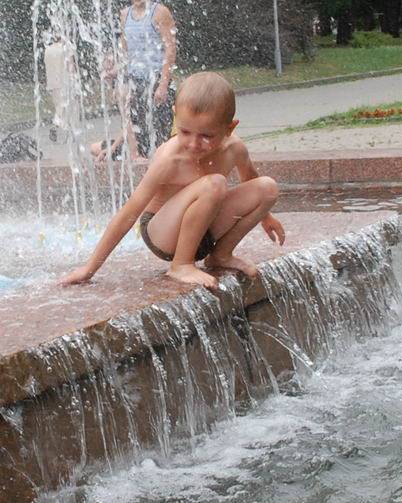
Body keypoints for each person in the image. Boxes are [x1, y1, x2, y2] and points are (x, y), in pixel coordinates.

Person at [61, 71, 285, 289]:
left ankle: (221, 255)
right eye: (185, 132)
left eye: (206, 136)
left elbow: (249, 178)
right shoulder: (169, 159)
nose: (194, 144)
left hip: (204, 231)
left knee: (268, 188)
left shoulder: (235, 148)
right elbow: (129, 212)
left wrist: (265, 217)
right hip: (162, 233)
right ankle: (181, 265)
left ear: (230, 128)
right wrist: (89, 269)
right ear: (175, 115)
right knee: (215, 183)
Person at [121, 1, 177, 157]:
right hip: (135, 80)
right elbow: (125, 50)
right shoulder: (125, 14)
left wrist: (163, 85)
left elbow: (170, 48)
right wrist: (117, 73)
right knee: (141, 133)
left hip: (156, 80)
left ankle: (164, 165)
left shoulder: (159, 12)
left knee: (161, 134)